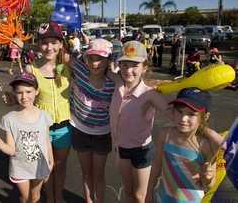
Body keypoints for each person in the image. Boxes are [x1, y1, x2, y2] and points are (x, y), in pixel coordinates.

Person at [109, 41, 170, 203]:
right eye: (124, 65)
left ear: (144, 67)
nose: (128, 70)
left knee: (141, 195)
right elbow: (101, 68)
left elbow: (171, 112)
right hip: (121, 148)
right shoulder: (118, 82)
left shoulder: (150, 94)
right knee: (128, 192)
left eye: (135, 65)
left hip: (142, 151)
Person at [0, 73, 54, 203]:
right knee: (25, 198)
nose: (24, 97)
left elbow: (46, 141)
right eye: (19, 92)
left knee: (35, 196)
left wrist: (51, 161)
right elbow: (11, 150)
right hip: (20, 168)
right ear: (14, 93)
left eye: (28, 91)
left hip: (40, 166)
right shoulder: (9, 119)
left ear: (37, 91)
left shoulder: (44, 116)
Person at [146, 88, 218, 203]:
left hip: (191, 200)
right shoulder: (165, 134)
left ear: (204, 117)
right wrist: (148, 192)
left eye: (191, 114)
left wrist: (208, 178)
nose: (183, 118)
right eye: (180, 111)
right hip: (164, 196)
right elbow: (156, 166)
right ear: (173, 112)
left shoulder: (205, 145)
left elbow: (209, 185)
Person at [26, 22, 71, 203]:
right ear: (39, 44)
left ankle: (58, 198)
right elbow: (23, 97)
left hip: (64, 128)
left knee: (60, 167)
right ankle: (50, 198)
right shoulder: (31, 69)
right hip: (41, 129)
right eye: (44, 42)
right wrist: (11, 97)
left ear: (61, 44)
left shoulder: (69, 66)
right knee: (45, 168)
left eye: (54, 42)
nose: (49, 47)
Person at [70, 38, 114, 203]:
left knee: (98, 174)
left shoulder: (113, 83)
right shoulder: (80, 70)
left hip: (102, 134)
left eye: (100, 59)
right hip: (80, 130)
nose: (95, 63)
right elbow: (63, 54)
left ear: (109, 59)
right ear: (86, 58)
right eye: (91, 58)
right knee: (86, 173)